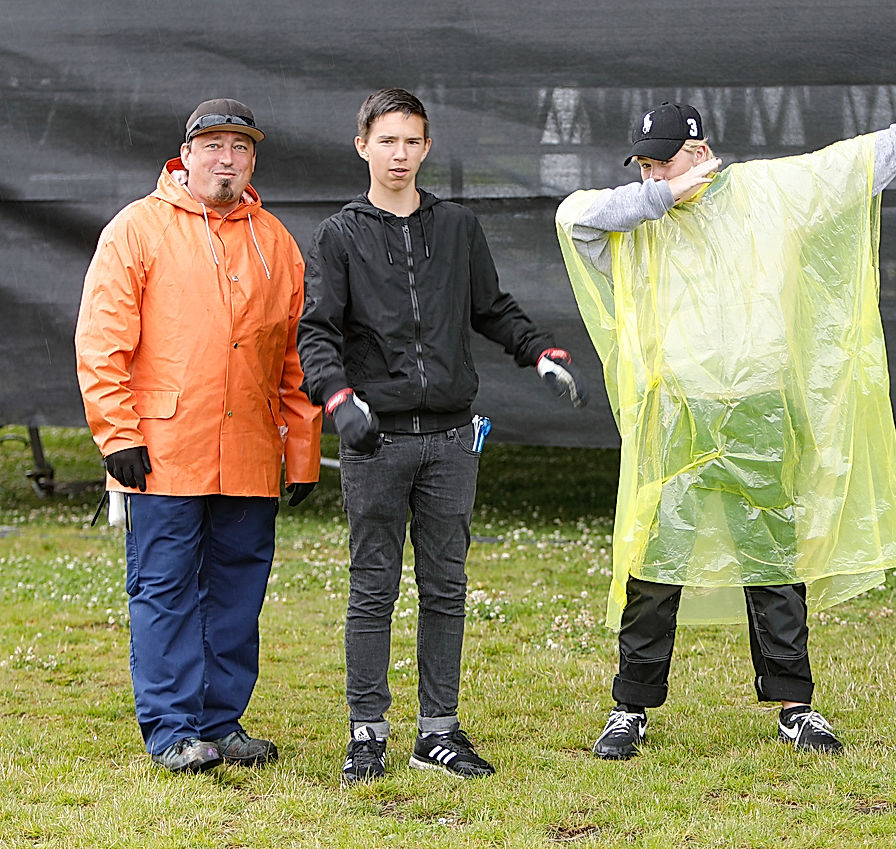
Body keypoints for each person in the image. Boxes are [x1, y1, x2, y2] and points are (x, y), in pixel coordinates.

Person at [556, 89, 896, 759]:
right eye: (641, 166)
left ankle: (795, 706)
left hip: (759, 409)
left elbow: (853, 165)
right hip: (678, 419)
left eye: (661, 165)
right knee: (653, 565)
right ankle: (630, 708)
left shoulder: (768, 194)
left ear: (699, 153)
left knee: (772, 563)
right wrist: (656, 198)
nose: (648, 177)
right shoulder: (640, 221)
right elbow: (573, 218)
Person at [297, 87, 588, 783]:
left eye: (413, 141)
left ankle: (438, 731)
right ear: (362, 143)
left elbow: (492, 307)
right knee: (372, 588)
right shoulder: (340, 235)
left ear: (427, 148)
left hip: (453, 441)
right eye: (387, 140)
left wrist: (539, 350)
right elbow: (315, 334)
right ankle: (366, 731)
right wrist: (340, 402)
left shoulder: (457, 227)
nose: (400, 154)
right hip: (377, 444)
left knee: (445, 587)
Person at [75, 98, 323, 772]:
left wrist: (301, 451)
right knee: (165, 589)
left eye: (240, 148)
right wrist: (116, 434)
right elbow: (101, 343)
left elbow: (297, 359)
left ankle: (222, 722)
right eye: (214, 146)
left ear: (252, 160)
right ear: (186, 154)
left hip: (247, 454)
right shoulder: (137, 230)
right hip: (160, 453)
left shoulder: (276, 241)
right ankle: (173, 729)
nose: (226, 159)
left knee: (238, 589)